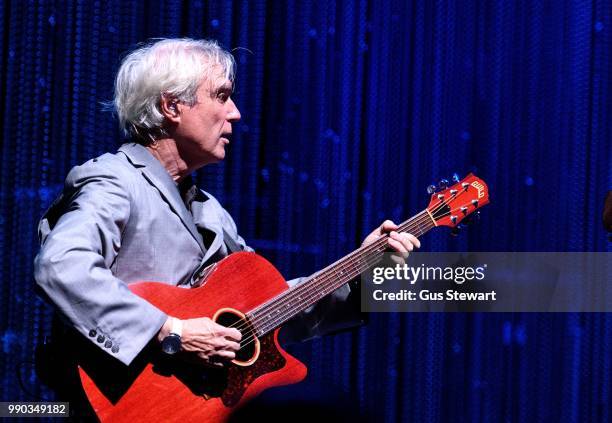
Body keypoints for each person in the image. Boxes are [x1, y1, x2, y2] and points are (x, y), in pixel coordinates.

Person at [34, 37, 419, 407]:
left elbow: (271, 310)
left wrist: (362, 276)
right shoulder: (117, 180)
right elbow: (62, 267)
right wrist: (173, 332)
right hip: (125, 404)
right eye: (221, 95)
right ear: (171, 106)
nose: (235, 112)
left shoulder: (211, 212)